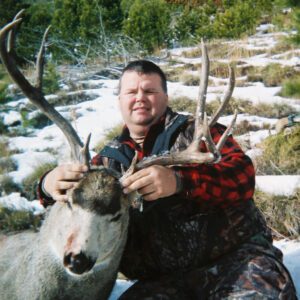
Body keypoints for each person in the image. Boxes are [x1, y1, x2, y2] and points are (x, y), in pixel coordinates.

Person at [39, 60, 297, 299]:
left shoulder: (198, 135)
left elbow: (242, 177)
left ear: (166, 97)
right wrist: (46, 185)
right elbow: (70, 209)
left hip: (236, 263)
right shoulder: (105, 163)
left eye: (149, 91)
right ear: (119, 100)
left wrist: (180, 181)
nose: (140, 97)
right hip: (164, 282)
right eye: (131, 92)